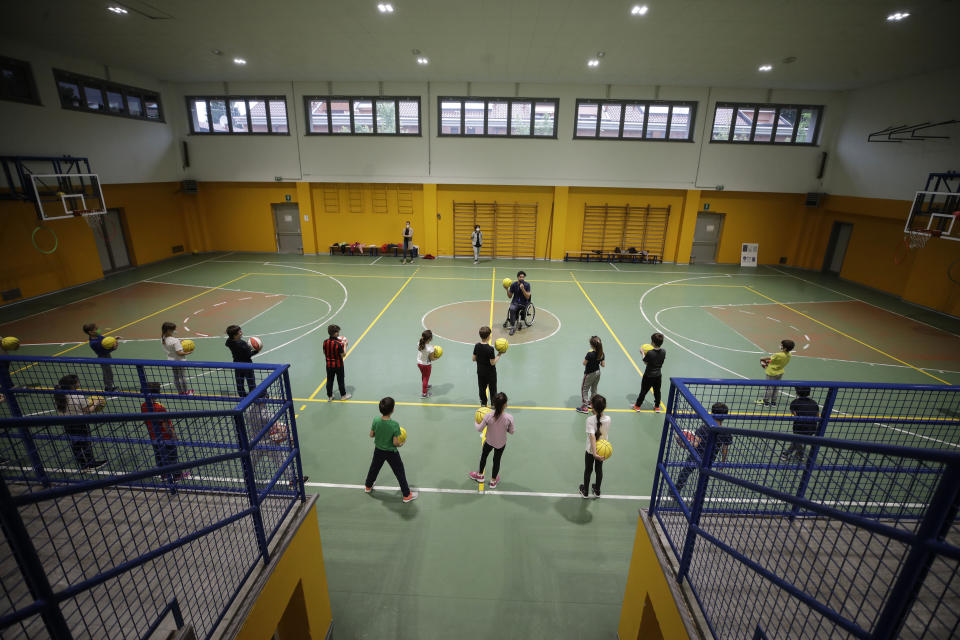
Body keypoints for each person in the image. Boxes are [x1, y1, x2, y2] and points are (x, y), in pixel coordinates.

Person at [363, 396, 418, 503]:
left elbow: (371, 435)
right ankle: (407, 495)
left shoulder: (376, 420)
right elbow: (395, 443)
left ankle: (368, 486)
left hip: (378, 450)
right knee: (399, 472)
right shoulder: (394, 425)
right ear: (392, 410)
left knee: (374, 468)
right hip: (391, 453)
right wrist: (401, 444)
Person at [54, 374, 107, 470]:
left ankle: (83, 465)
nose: (79, 382)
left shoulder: (59, 396)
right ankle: (91, 463)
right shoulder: (78, 396)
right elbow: (87, 410)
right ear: (73, 385)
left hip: (67, 424)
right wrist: (96, 403)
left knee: (75, 444)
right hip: (80, 422)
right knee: (85, 443)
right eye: (78, 381)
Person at [674, 403, 730, 493]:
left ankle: (676, 490)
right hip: (709, 459)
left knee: (685, 471)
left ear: (712, 413)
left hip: (696, 455)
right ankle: (697, 500)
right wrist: (723, 462)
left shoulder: (704, 428)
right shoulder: (725, 432)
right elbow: (724, 449)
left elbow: (695, 443)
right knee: (703, 479)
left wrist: (684, 443)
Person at [141, 381, 185, 483]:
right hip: (165, 437)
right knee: (172, 456)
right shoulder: (160, 408)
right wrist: (173, 435)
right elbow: (165, 425)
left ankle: (164, 474)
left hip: (154, 437)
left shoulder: (143, 406)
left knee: (159, 455)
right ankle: (177, 475)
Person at [469, 392, 514, 488]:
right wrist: (505, 428)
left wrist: (476, 422)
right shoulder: (509, 418)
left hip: (489, 441)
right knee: (497, 460)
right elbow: (511, 431)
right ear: (505, 405)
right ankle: (493, 481)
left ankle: (480, 475)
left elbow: (479, 429)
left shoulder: (488, 416)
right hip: (501, 444)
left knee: (483, 456)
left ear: (494, 404)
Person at [580, 393, 610, 498]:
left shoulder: (590, 420)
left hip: (591, 450)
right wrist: (598, 454)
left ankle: (585, 492)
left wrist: (594, 453)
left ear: (592, 406)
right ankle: (597, 490)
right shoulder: (608, 419)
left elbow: (592, 437)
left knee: (588, 470)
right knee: (599, 470)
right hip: (603, 450)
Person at [781, 386, 820, 461]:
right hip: (812, 427)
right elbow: (817, 415)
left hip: (799, 427)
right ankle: (798, 455)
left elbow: (794, 414)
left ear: (797, 393)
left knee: (796, 441)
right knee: (801, 440)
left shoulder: (794, 402)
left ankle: (788, 454)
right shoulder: (814, 403)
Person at [633, 333, 666, 412]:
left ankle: (637, 406)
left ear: (653, 343)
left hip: (648, 375)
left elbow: (645, 362)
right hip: (658, 375)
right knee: (657, 391)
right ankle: (657, 407)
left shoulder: (650, 353)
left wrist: (643, 353)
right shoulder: (664, 351)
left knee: (643, 391)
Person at [83, 323, 119, 392]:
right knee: (107, 373)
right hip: (103, 357)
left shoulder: (98, 336)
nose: (98, 330)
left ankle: (109, 386)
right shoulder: (93, 343)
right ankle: (109, 388)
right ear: (90, 332)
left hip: (107, 356)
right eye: (96, 329)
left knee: (109, 372)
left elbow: (105, 340)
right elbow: (104, 350)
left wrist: (114, 339)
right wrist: (113, 348)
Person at [225, 325, 258, 397]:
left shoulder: (229, 342)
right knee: (251, 382)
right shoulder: (242, 343)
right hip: (247, 365)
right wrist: (257, 351)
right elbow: (249, 354)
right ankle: (253, 396)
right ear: (235, 335)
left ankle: (242, 396)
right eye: (239, 332)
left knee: (239, 382)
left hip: (237, 365)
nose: (241, 332)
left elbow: (227, 343)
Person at [472, 326, 501, 407]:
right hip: (490, 373)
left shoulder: (477, 345)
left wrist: (481, 357)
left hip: (480, 372)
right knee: (492, 389)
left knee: (482, 389)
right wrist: (499, 354)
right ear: (489, 336)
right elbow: (492, 363)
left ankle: (483, 403)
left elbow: (473, 359)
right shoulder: (490, 349)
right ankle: (493, 404)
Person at [760, 339, 795, 405]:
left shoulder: (778, 355)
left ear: (785, 348)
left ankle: (765, 401)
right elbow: (775, 361)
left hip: (771, 373)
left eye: (782, 345)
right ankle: (773, 402)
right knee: (776, 387)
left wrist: (762, 359)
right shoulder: (789, 354)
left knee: (769, 388)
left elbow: (769, 358)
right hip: (780, 372)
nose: (780, 346)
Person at [322, 324, 351, 401]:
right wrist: (345, 345)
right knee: (340, 380)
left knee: (329, 380)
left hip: (329, 365)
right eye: (338, 332)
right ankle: (343, 396)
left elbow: (324, 352)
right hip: (338, 365)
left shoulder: (325, 342)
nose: (338, 333)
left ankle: (330, 396)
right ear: (335, 333)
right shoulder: (338, 344)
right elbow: (343, 355)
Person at [577, 336, 605, 414]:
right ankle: (592, 404)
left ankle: (585, 407)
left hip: (589, 374)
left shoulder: (590, 354)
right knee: (594, 388)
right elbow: (603, 365)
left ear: (592, 345)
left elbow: (584, 363)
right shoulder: (601, 353)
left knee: (584, 389)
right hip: (598, 373)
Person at [161, 322, 191, 395]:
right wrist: (188, 352)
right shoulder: (175, 341)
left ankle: (180, 392)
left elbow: (171, 345)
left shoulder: (163, 338)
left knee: (176, 377)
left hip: (171, 360)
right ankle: (186, 392)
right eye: (173, 329)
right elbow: (179, 353)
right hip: (180, 361)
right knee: (182, 377)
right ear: (169, 330)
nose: (175, 330)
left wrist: (179, 342)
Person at [504, 271, 532, 336]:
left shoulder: (527, 285)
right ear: (517, 277)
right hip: (515, 302)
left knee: (514, 309)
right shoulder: (513, 285)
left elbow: (528, 296)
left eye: (523, 277)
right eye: (520, 277)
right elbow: (510, 296)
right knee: (512, 308)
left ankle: (514, 322)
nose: (522, 278)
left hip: (523, 303)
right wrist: (507, 289)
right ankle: (512, 327)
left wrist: (523, 289)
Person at [417, 329, 437, 399]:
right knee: (426, 378)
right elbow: (432, 358)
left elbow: (424, 349)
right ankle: (424, 393)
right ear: (430, 338)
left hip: (419, 363)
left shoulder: (419, 343)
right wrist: (437, 357)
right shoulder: (430, 348)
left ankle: (425, 385)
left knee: (423, 375)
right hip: (426, 365)